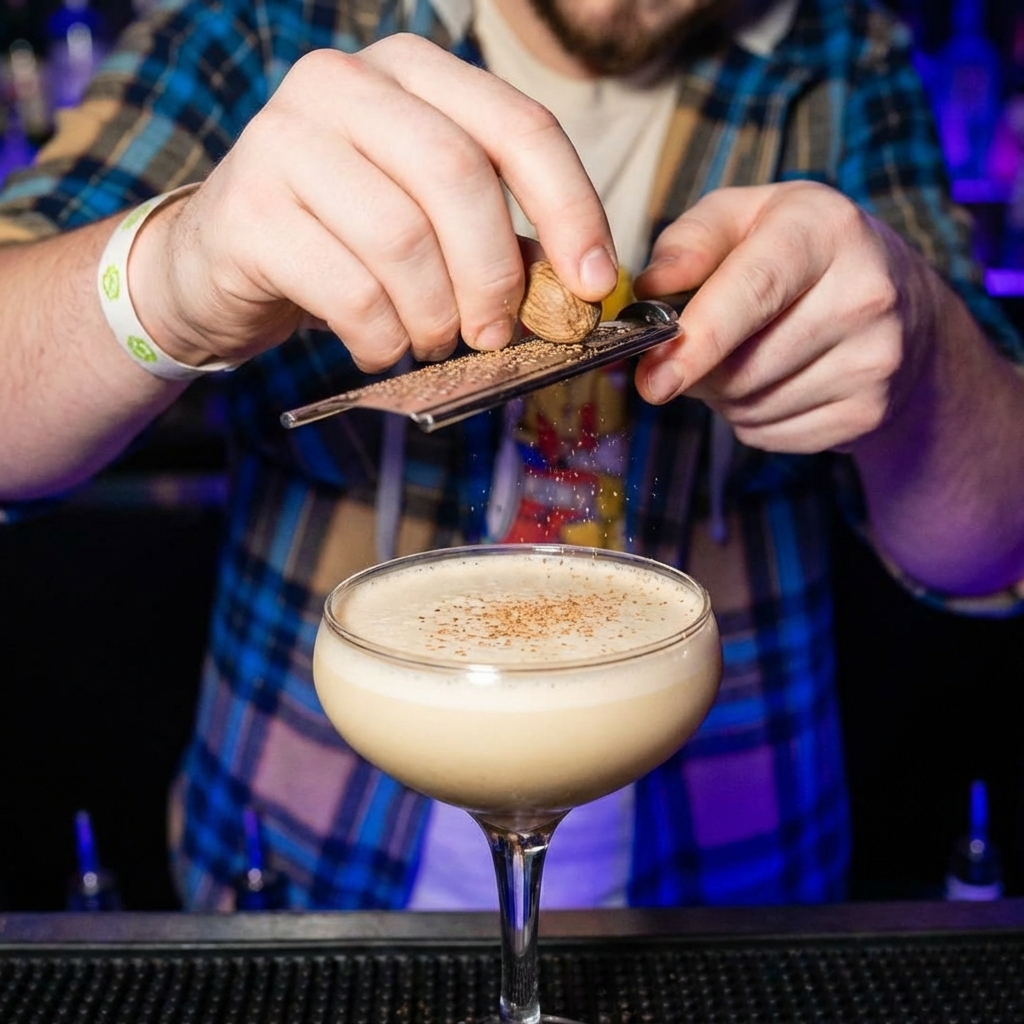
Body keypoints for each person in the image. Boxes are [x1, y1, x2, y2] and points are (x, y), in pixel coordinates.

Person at [1, 0, 1023, 911]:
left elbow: (990, 550)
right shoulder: (261, 26)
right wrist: (172, 276)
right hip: (299, 885)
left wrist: (924, 357)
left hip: (730, 899)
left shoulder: (846, 60)